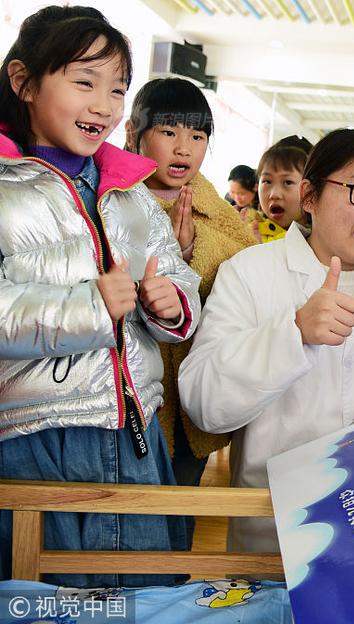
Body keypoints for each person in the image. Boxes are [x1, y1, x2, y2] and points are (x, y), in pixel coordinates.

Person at [178, 129, 354, 552]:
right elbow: (205, 405)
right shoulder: (250, 272)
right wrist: (294, 334)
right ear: (310, 197)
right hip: (274, 526)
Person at [0, 6, 200, 587]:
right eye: (84, 82)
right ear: (24, 81)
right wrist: (90, 306)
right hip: (35, 437)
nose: (105, 106)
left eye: (117, 90)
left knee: (143, 596)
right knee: (44, 598)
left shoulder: (132, 195)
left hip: (135, 431)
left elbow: (180, 278)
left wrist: (172, 304)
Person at [125, 77, 257, 489]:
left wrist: (188, 256)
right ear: (133, 133)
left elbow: (238, 274)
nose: (184, 148)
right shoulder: (115, 197)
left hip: (188, 389)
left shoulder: (213, 205)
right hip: (135, 389)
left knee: (183, 501)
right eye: (168, 132)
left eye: (197, 136)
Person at [255, 140, 310, 242]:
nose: (274, 194)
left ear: (309, 191)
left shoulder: (318, 242)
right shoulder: (249, 228)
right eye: (267, 181)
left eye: (288, 182)